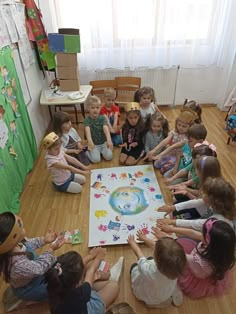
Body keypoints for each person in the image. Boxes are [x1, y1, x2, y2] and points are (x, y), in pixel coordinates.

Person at [154, 218, 236, 298]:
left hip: (195, 269)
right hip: (199, 259)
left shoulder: (200, 263)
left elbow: (178, 254)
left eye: (203, 234)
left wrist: (165, 239)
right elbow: (193, 233)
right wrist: (172, 228)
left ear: (208, 242)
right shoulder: (221, 249)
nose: (201, 234)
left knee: (173, 262)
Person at [0, 212, 64, 311]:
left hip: (33, 272)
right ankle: (27, 300)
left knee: (53, 263)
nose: (23, 229)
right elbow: (39, 268)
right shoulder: (17, 265)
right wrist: (51, 249)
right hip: (30, 287)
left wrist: (44, 240)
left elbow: (29, 243)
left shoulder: (15, 244)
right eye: (20, 229)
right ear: (11, 240)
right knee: (56, 290)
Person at [156, 177, 236, 239]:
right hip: (207, 225)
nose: (201, 193)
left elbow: (195, 224)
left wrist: (171, 222)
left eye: (205, 193)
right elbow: (198, 202)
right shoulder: (220, 204)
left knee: (184, 238)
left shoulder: (218, 220)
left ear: (213, 200)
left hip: (216, 241)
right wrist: (173, 207)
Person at [45, 249, 120, 314]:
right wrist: (98, 258)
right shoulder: (80, 293)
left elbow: (79, 268)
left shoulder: (53, 284)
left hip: (70, 307)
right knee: (114, 286)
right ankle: (110, 276)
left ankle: (104, 277)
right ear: (77, 284)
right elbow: (91, 271)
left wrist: (91, 255)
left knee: (87, 267)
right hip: (88, 310)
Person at [127, 231, 186, 308]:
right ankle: (170, 296)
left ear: (157, 259)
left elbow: (139, 255)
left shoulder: (149, 270)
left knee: (134, 266)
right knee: (167, 288)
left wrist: (133, 243)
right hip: (165, 292)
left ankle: (152, 304)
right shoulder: (177, 265)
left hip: (148, 294)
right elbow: (159, 249)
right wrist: (145, 239)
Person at [146, 109, 197, 173]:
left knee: (163, 169)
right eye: (179, 125)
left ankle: (174, 166)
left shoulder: (186, 139)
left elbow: (172, 147)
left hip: (178, 157)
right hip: (170, 153)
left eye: (184, 126)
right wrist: (154, 150)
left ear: (190, 127)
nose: (180, 127)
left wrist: (160, 155)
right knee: (156, 164)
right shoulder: (175, 132)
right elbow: (165, 141)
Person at [84, 96, 113, 163]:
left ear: (100, 108)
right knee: (96, 160)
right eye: (92, 108)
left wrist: (109, 139)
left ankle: (100, 152)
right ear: (88, 108)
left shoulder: (102, 118)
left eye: (97, 108)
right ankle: (87, 152)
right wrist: (90, 141)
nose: (95, 110)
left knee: (109, 157)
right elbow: (87, 130)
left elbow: (105, 128)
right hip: (94, 144)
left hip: (103, 143)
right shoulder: (87, 120)